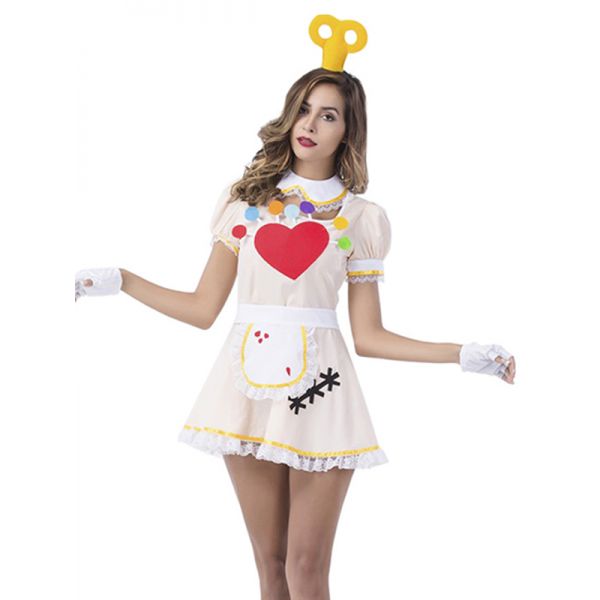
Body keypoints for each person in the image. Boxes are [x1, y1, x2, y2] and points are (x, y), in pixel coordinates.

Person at [75, 14, 516, 600]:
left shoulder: (361, 218)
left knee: (306, 570)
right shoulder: (245, 202)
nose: (310, 124)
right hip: (245, 391)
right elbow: (204, 308)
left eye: (328, 115)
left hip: (322, 394)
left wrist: (463, 354)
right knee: (271, 566)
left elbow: (370, 336)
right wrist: (123, 281)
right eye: (304, 109)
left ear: (347, 131)